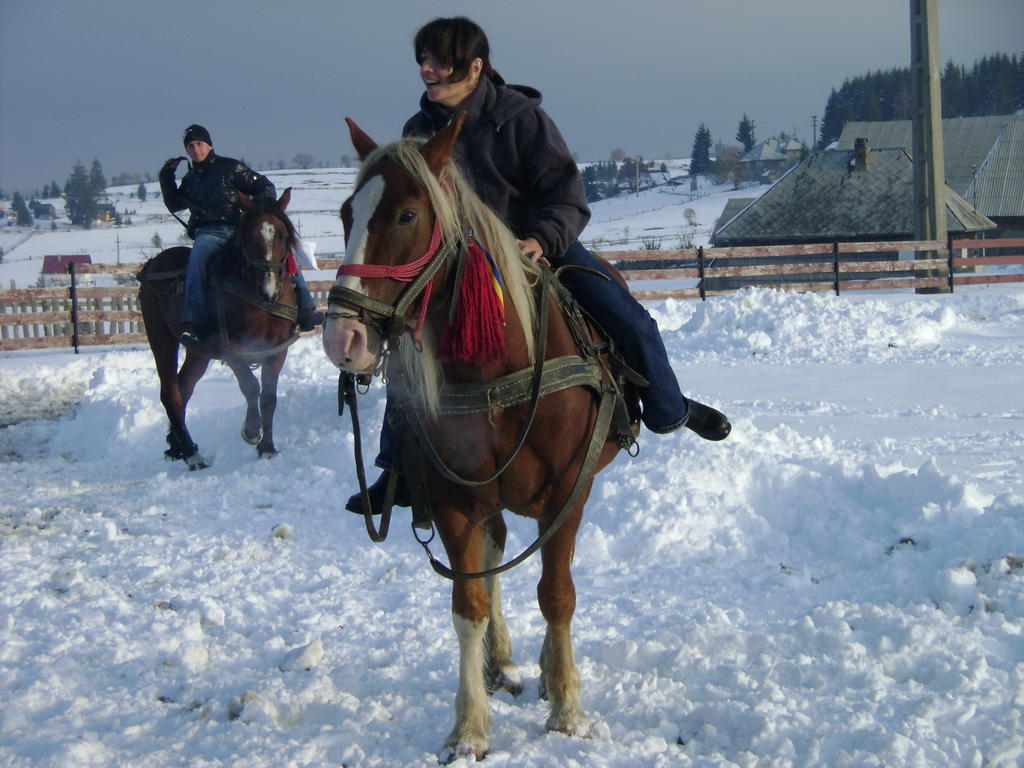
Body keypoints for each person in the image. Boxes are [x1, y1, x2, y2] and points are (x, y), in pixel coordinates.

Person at [347, 17, 730, 513]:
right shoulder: (419, 131)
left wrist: (540, 240)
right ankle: (396, 467)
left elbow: (568, 198)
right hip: (459, 261)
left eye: (438, 60)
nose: (427, 69)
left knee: (626, 315)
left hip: (537, 243)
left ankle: (669, 408)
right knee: (406, 355)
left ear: (475, 66)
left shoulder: (521, 118)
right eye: (422, 59)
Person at [160, 124, 322, 345]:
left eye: (199, 144)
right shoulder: (190, 180)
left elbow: (264, 186)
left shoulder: (230, 168)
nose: (196, 149)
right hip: (208, 233)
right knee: (197, 258)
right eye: (191, 146)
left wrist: (258, 212)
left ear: (209, 145)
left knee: (282, 253)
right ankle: (195, 320)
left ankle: (305, 309)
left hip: (238, 229)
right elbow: (175, 204)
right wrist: (166, 176)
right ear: (187, 150)